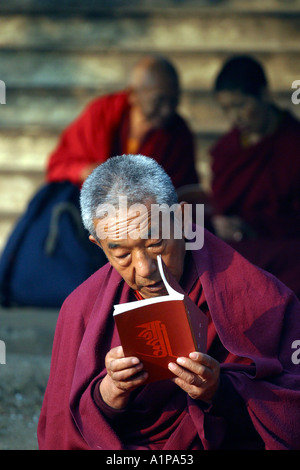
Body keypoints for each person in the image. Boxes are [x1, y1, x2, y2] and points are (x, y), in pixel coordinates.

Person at [38, 154, 300, 450]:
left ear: (183, 218)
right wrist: (108, 395)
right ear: (98, 245)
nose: (145, 268)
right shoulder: (80, 310)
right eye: (121, 254)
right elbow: (59, 432)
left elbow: (291, 413)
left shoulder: (256, 294)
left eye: (155, 244)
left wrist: (220, 390)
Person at [209, 55, 300, 298]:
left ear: (264, 94)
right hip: (238, 246)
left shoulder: (293, 142)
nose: (234, 118)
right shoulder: (228, 149)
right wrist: (221, 223)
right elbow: (220, 204)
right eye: (226, 109)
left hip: (282, 247)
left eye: (240, 105)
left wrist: (251, 226)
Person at [46, 55, 199, 190]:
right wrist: (86, 171)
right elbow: (59, 163)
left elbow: (185, 191)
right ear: (133, 94)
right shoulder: (102, 114)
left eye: (174, 100)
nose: (167, 110)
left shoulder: (179, 132)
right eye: (159, 100)